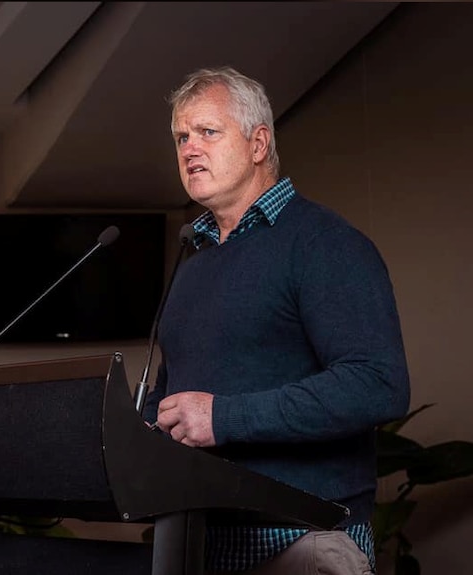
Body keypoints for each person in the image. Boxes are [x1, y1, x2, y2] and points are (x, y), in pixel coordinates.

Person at [142, 66, 410, 574]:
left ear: (259, 143)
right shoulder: (190, 266)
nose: (189, 149)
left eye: (207, 132)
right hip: (197, 546)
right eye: (181, 136)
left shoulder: (324, 244)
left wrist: (223, 418)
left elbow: (379, 385)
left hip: (299, 542)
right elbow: (173, 397)